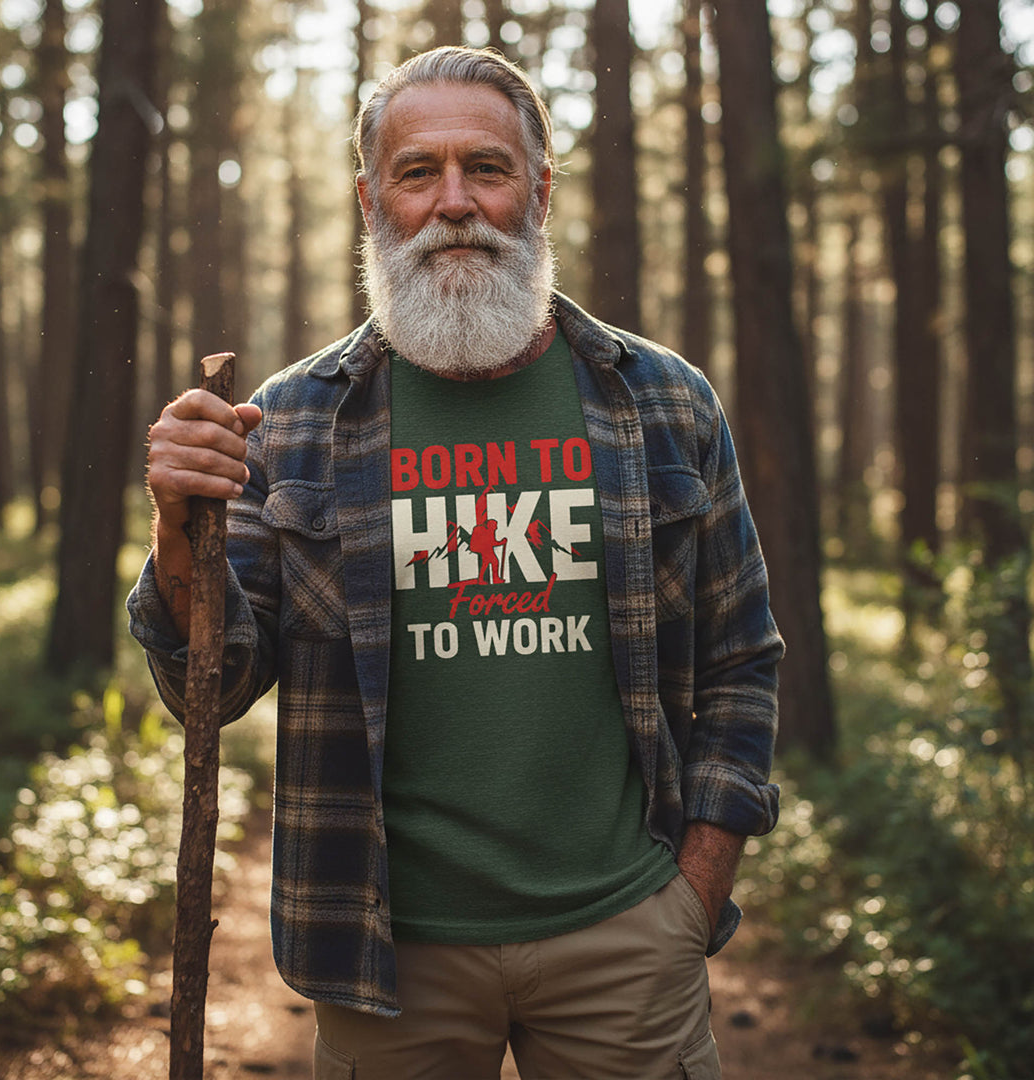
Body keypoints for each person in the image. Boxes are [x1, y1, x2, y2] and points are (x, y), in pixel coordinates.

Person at [129, 46, 783, 1080]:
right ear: (370, 198)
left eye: (487, 167)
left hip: (624, 934)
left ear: (540, 189)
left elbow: (744, 657)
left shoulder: (662, 400)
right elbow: (209, 687)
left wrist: (693, 890)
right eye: (417, 171)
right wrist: (176, 525)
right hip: (386, 955)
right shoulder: (292, 420)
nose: (454, 202)